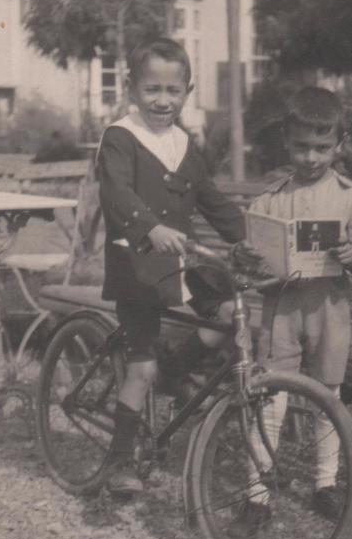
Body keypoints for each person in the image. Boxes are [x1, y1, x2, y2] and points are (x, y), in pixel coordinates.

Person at [97, 37, 246, 494]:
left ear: (187, 91)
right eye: (152, 90)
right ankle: (119, 462)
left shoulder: (184, 144)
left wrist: (246, 238)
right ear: (132, 89)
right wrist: (149, 226)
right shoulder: (121, 137)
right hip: (136, 265)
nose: (163, 101)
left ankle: (179, 366)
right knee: (140, 370)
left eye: (173, 91)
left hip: (178, 265)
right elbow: (117, 192)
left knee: (230, 318)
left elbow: (211, 200)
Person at [230, 86, 352, 539]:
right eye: (301, 146)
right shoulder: (272, 197)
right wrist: (245, 256)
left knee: (327, 398)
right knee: (269, 400)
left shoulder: (351, 198)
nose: (311, 157)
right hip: (281, 310)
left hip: (329, 310)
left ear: (340, 144)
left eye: (322, 147)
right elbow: (250, 253)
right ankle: (257, 497)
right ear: (286, 143)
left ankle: (325, 483)